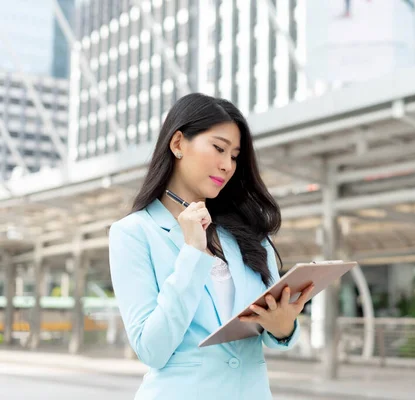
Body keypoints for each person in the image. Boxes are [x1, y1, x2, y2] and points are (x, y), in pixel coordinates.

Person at [108, 93, 314, 400]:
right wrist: (192, 252)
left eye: (234, 156)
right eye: (218, 148)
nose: (227, 165)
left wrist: (283, 327)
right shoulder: (134, 233)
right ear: (177, 143)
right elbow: (152, 349)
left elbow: (271, 336)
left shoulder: (248, 234)